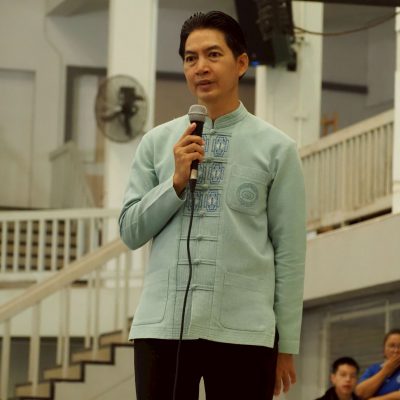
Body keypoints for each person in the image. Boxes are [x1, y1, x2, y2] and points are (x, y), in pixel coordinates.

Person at [119, 10, 306, 400]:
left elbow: (289, 252)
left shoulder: (278, 148)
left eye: (213, 55)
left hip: (244, 332)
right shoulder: (156, 143)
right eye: (191, 58)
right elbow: (131, 231)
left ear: (241, 63)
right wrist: (175, 182)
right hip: (163, 329)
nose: (200, 67)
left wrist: (286, 343)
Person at [355, 329, 400, 400]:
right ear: (384, 350)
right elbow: (360, 393)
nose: (396, 350)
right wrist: (385, 370)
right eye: (392, 346)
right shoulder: (373, 369)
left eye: (399, 346)